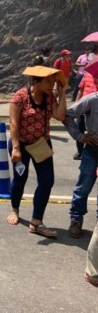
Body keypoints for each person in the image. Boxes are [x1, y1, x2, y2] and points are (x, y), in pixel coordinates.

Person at [6, 67, 67, 238]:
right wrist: (16, 148)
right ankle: (15, 210)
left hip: (41, 144)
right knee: (20, 178)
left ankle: (36, 222)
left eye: (53, 82)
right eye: (48, 82)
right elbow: (13, 123)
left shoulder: (50, 97)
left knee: (47, 181)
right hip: (21, 144)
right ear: (36, 82)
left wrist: (62, 94)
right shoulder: (21, 96)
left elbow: (60, 116)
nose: (52, 85)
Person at [63, 79, 98, 238]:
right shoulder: (92, 100)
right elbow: (67, 115)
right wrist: (79, 136)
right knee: (83, 187)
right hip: (92, 151)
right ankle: (76, 219)